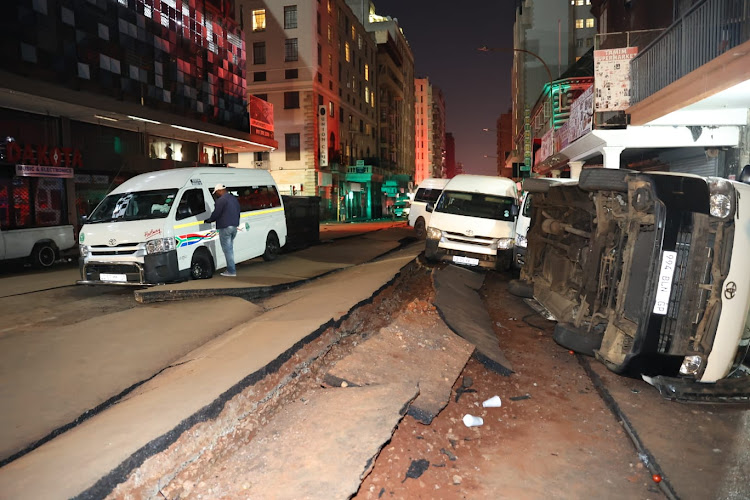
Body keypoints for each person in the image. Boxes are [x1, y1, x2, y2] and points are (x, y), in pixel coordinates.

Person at [205, 183, 241, 277]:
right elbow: (238, 211)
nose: (216, 194)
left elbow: (216, 214)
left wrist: (209, 220)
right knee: (230, 249)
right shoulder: (233, 198)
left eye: (216, 192)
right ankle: (231, 268)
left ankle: (231, 271)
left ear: (220, 191)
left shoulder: (221, 201)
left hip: (225, 227)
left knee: (227, 250)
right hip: (234, 226)